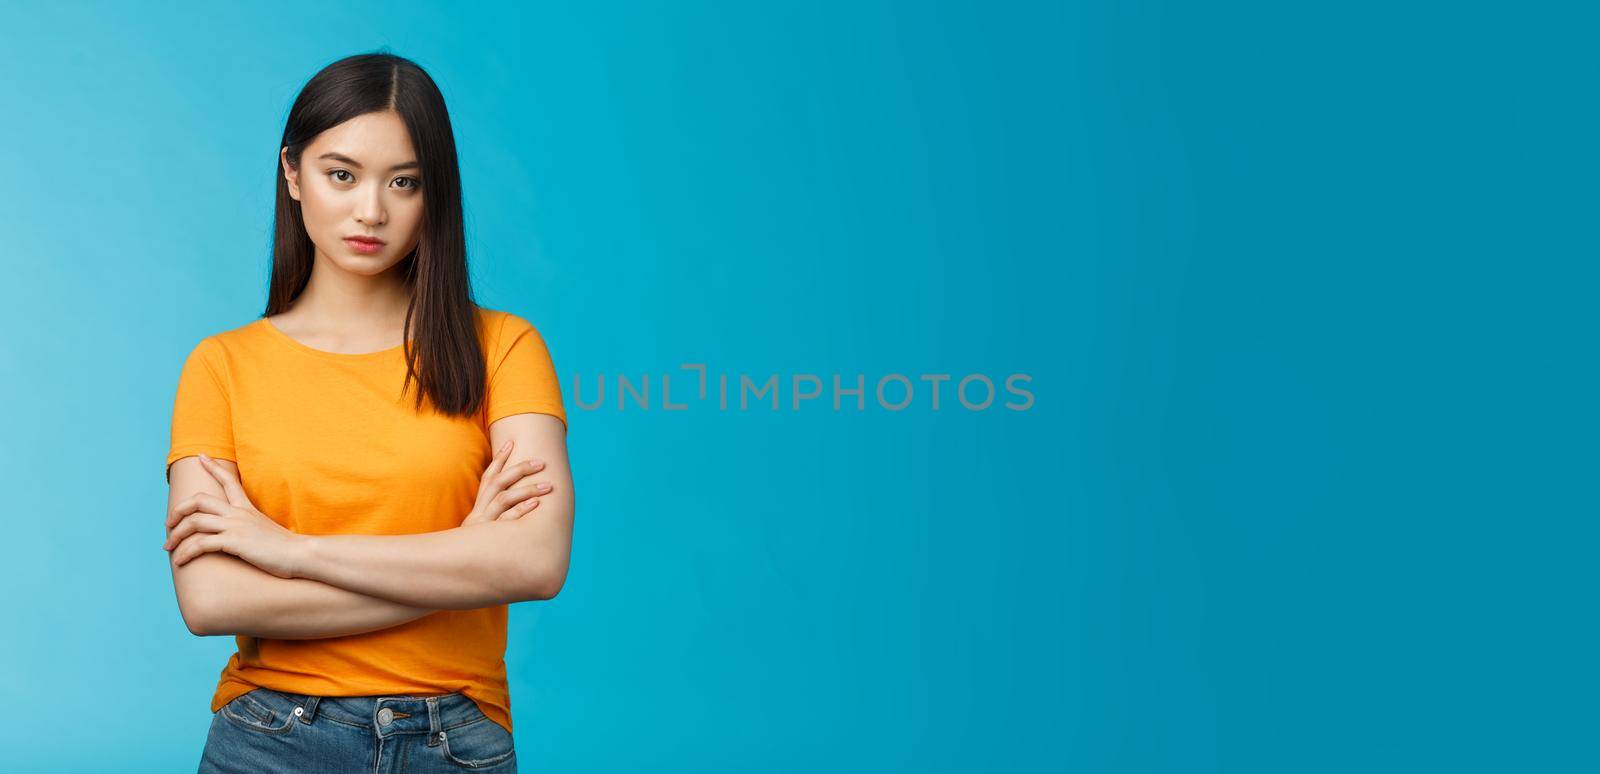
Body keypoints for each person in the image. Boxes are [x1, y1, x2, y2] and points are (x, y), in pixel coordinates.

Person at [162, 51, 571, 773]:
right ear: (293, 173)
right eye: (341, 174)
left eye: (403, 182)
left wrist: (292, 552)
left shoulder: (503, 348)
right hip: (269, 737)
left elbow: (534, 562)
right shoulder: (221, 365)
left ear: (432, 192)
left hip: (456, 741)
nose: (371, 210)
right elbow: (212, 598)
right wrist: (458, 562)